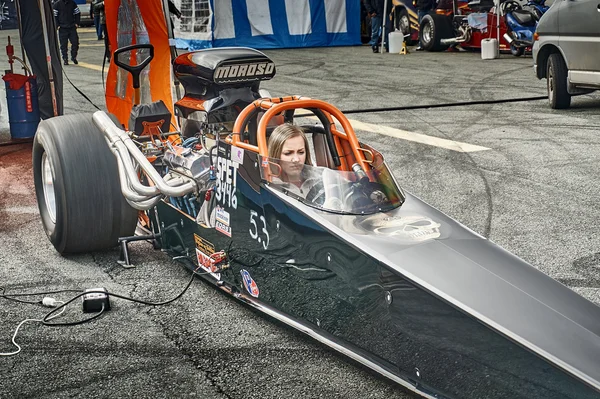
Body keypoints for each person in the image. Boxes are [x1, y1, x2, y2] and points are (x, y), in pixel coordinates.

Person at [267, 124, 316, 197]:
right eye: (288, 153)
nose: (296, 159)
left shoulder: (317, 178)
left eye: (301, 152)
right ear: (275, 155)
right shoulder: (270, 186)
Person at [53, 0, 81, 65]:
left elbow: (77, 13)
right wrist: (57, 25)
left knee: (75, 42)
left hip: (72, 27)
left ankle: (74, 57)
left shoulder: (72, 3)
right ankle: (65, 59)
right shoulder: (57, 4)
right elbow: (54, 15)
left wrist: (77, 23)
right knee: (63, 45)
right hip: (62, 28)